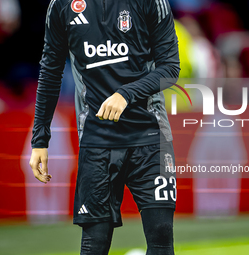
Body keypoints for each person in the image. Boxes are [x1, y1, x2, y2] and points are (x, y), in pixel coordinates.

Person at [29, 0, 180, 254]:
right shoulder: (62, 6)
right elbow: (50, 71)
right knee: (94, 246)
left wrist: (126, 94)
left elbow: (170, 67)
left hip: (151, 137)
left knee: (161, 243)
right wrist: (40, 140)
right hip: (97, 141)